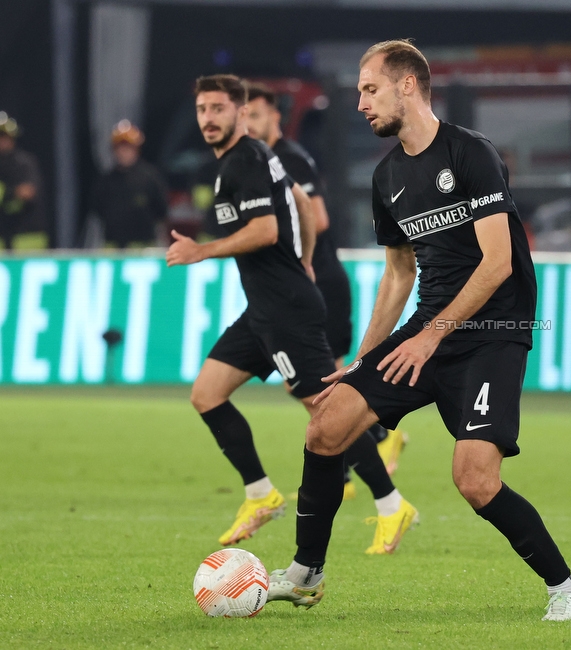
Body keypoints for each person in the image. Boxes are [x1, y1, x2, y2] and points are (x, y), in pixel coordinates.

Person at [266, 40, 571, 622]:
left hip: (492, 331)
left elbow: (496, 264)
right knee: (326, 423)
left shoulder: (471, 154)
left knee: (474, 479)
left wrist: (431, 336)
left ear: (408, 86)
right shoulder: (386, 174)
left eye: (371, 89)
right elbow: (398, 274)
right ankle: (305, 573)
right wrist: (363, 362)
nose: (362, 102)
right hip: (428, 328)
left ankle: (566, 590)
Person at [166, 74, 417, 553]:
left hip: (285, 310)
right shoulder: (250, 159)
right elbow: (300, 203)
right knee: (206, 394)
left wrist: (204, 251)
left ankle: (391, 504)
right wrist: (303, 255)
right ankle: (261, 494)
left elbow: (262, 230)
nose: (208, 119)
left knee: (327, 411)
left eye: (219, 109)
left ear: (241, 113)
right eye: (202, 110)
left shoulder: (246, 158)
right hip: (264, 307)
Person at [244, 81, 413, 545]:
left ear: (275, 117)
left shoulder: (290, 159)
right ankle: (364, 457)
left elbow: (316, 218)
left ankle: (380, 461)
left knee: (324, 397)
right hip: (291, 290)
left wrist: (265, 231)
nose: (249, 126)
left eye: (255, 116)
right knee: (317, 390)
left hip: (314, 285)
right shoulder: (260, 162)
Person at [91, 121, 169, 248]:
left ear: (136, 149)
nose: (124, 152)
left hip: (144, 249)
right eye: (120, 148)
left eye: (128, 147)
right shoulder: (106, 181)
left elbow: (161, 210)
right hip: (113, 247)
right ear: (114, 151)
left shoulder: (150, 178)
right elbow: (97, 209)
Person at [0, 112, 44, 250]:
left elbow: (28, 192)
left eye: (5, 137)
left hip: (26, 236)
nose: (3, 141)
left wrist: (7, 192)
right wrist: (14, 192)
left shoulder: (24, 163)